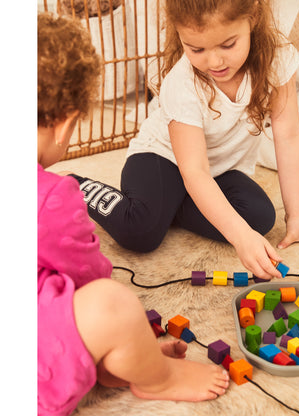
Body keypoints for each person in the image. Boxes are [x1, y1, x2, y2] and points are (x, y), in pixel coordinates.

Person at [37, 12, 229, 416]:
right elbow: (87, 277)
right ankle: (158, 377)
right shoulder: (51, 198)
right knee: (114, 303)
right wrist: (133, 340)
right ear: (66, 123)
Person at [69, 0, 299, 281]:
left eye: (228, 45)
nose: (214, 62)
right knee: (141, 232)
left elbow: (289, 134)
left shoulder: (277, 58)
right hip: (162, 157)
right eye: (196, 49)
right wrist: (240, 238)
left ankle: (172, 204)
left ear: (253, 17)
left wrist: (296, 218)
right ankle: (75, 183)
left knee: (258, 218)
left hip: (216, 170)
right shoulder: (181, 83)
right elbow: (193, 171)